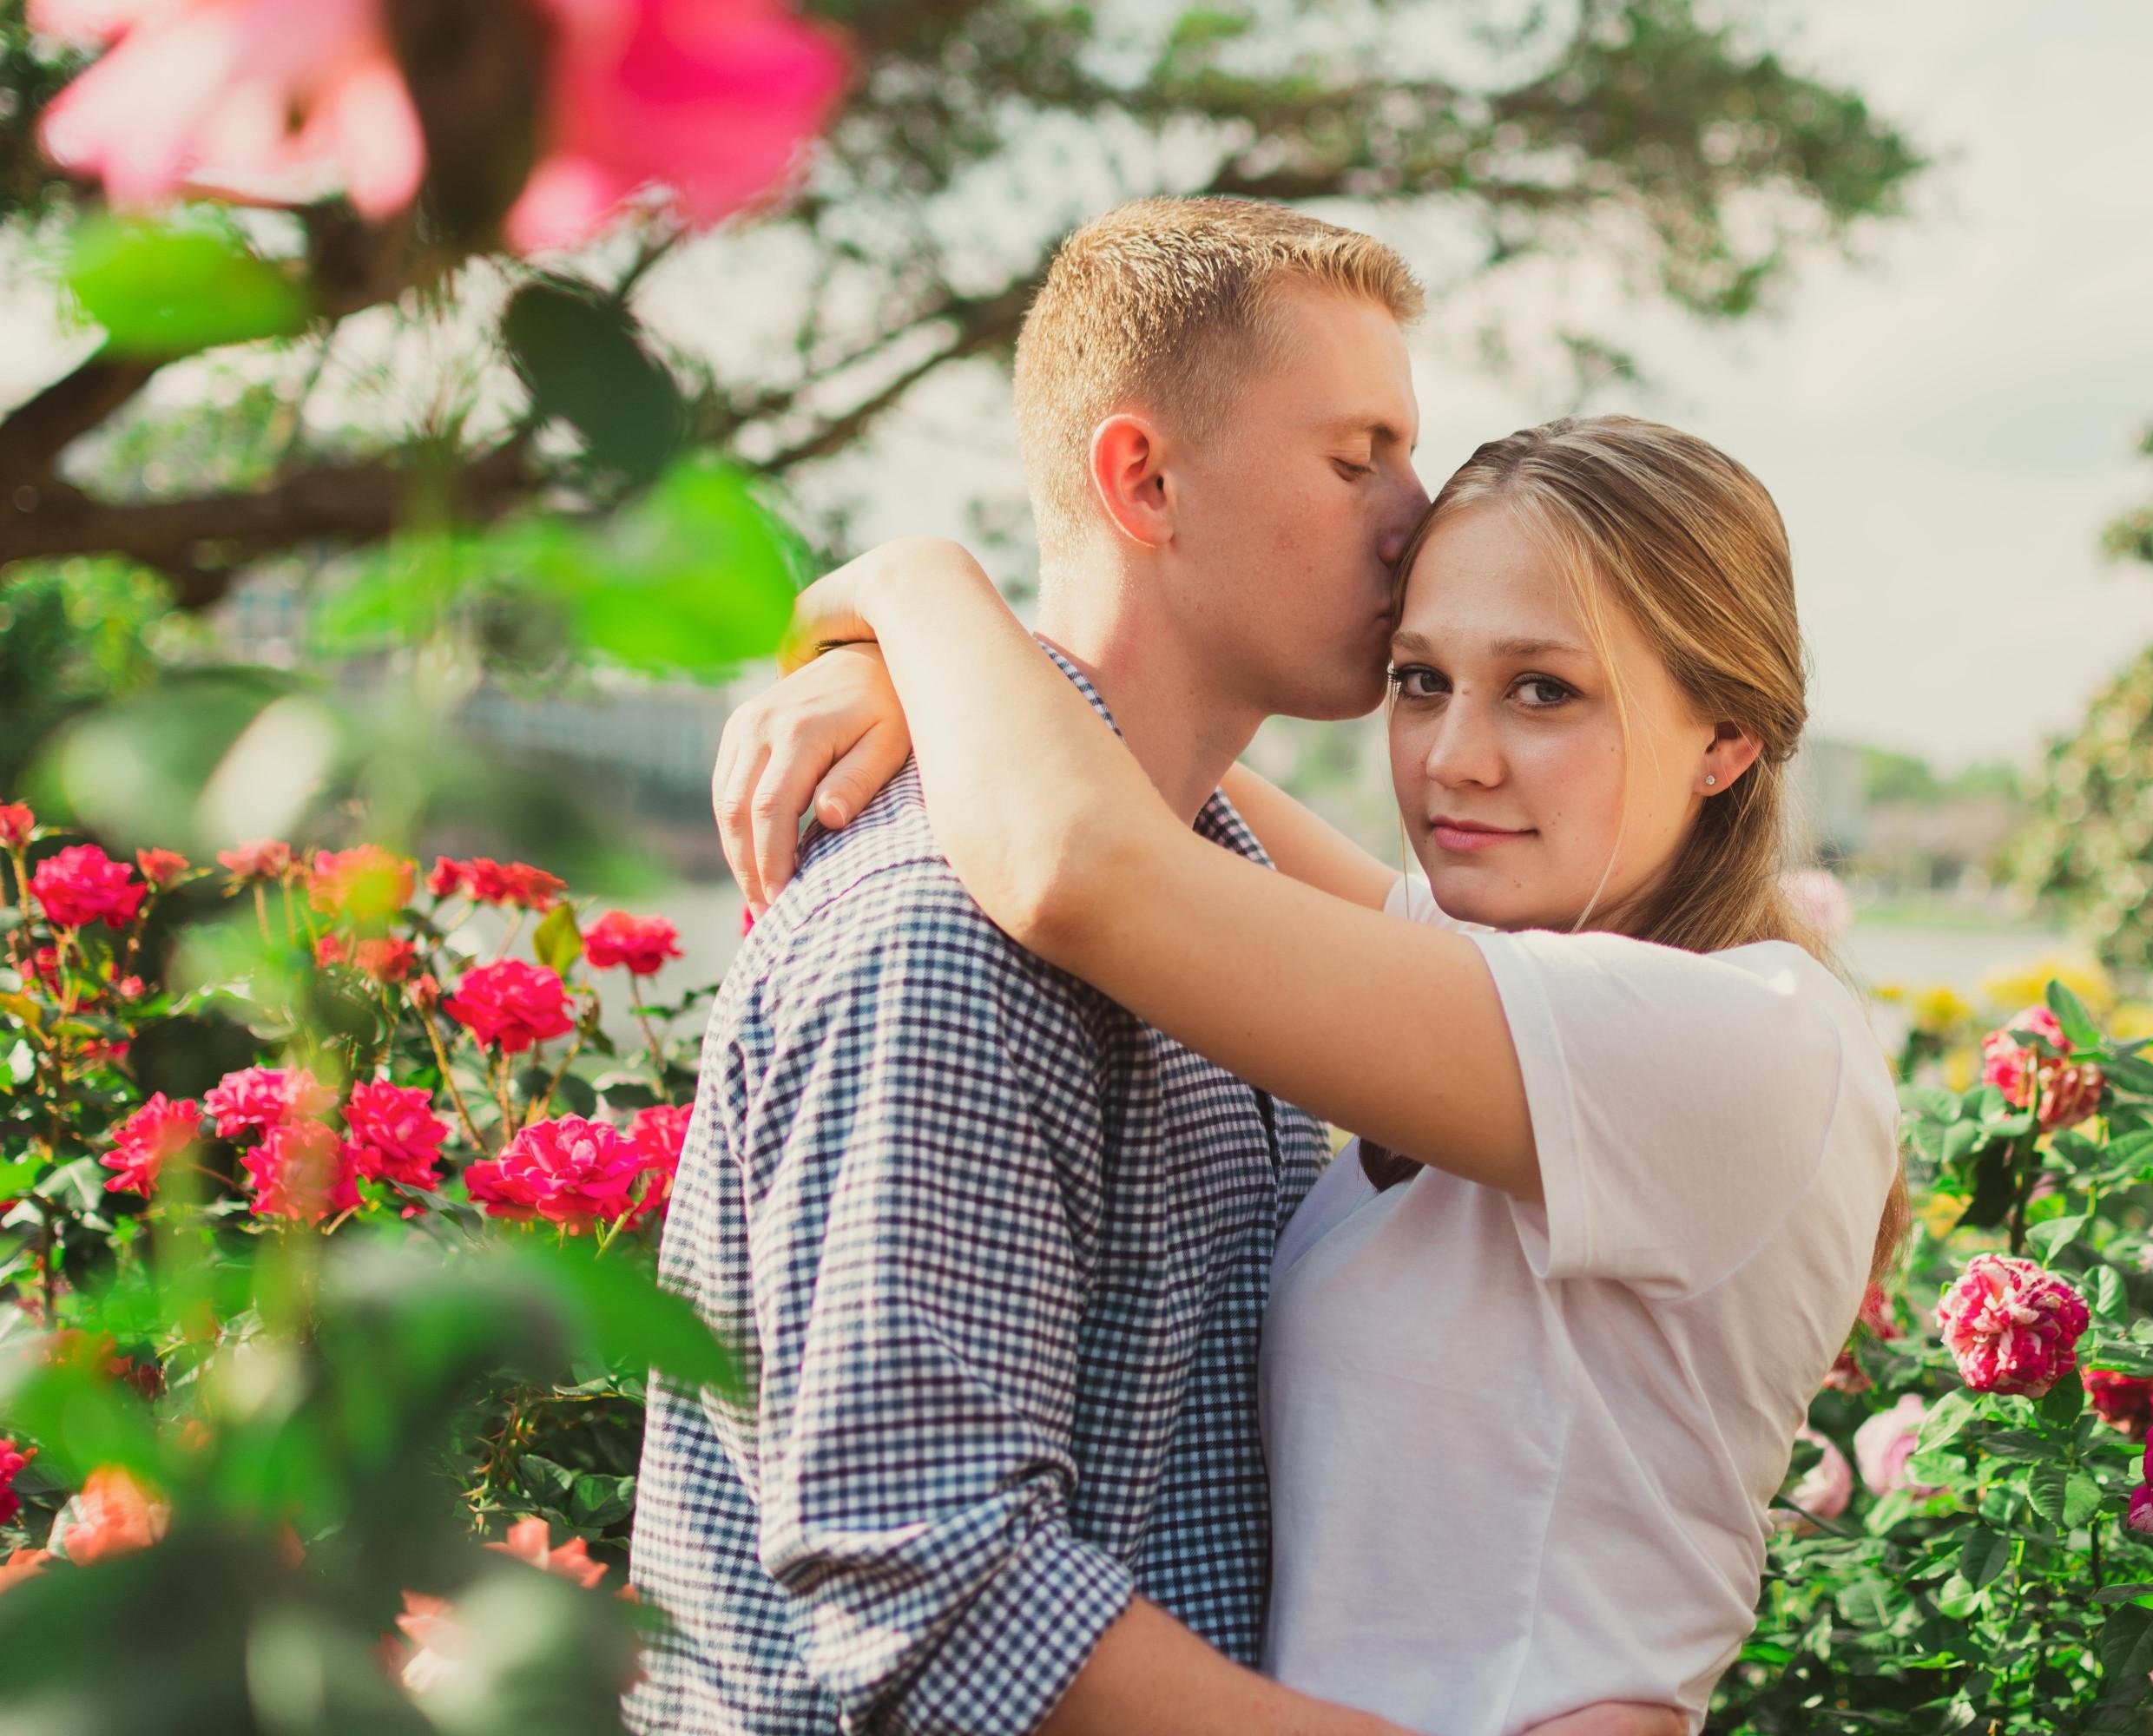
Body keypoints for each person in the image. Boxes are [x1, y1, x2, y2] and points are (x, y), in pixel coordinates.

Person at [629, 198, 1674, 1736]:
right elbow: (932, 1593)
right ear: (1144, 478)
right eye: (1357, 453)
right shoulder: (947, 936)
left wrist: (920, 618)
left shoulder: (1207, 898)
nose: (1419, 513)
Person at [718, 414, 1906, 1733]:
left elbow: (1086, 867)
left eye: (1544, 690)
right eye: (1419, 679)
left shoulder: (1739, 1043)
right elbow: (1148, 775)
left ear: (1727, 737)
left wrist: (912, 585)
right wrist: (899, 680)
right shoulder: (1506, 984)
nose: (1455, 757)